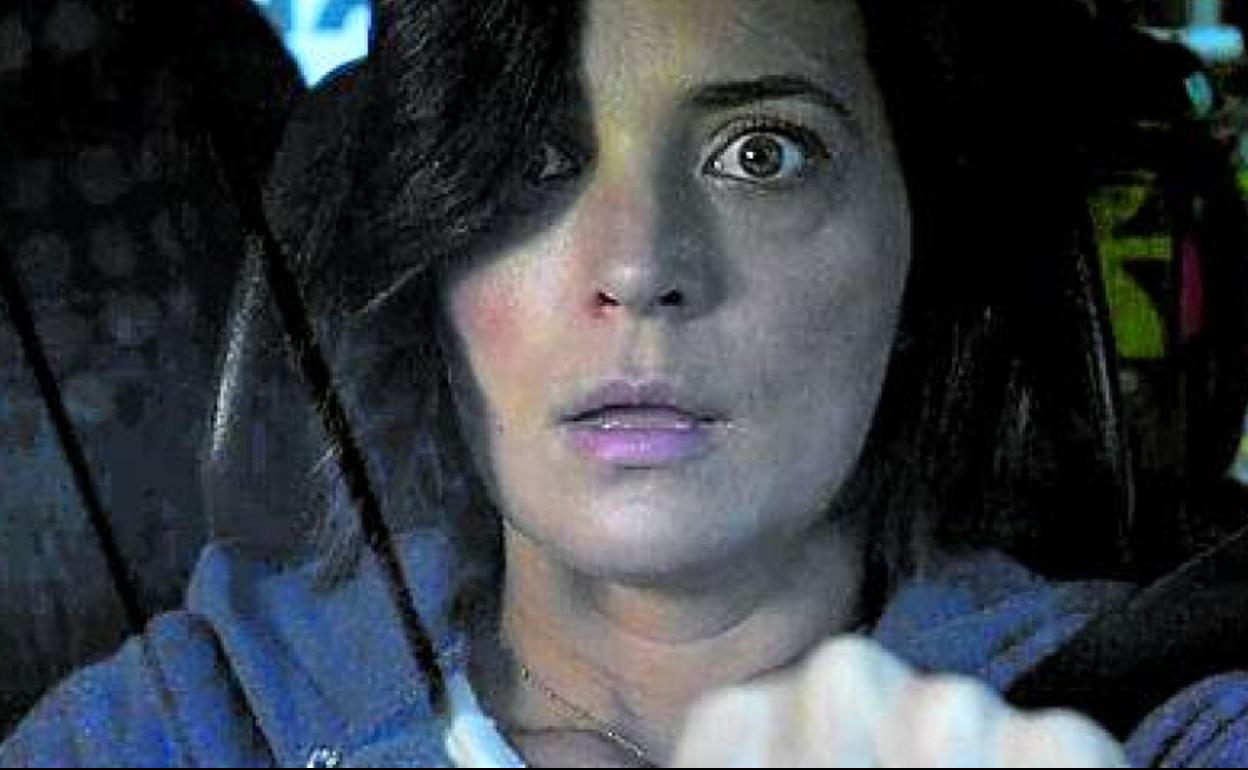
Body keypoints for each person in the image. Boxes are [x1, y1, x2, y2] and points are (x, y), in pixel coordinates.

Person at [0, 0, 1227, 766]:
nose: (639, 266)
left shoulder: (1161, 710)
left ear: (920, 260)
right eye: (531, 162)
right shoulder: (172, 729)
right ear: (432, 273)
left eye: (763, 153)